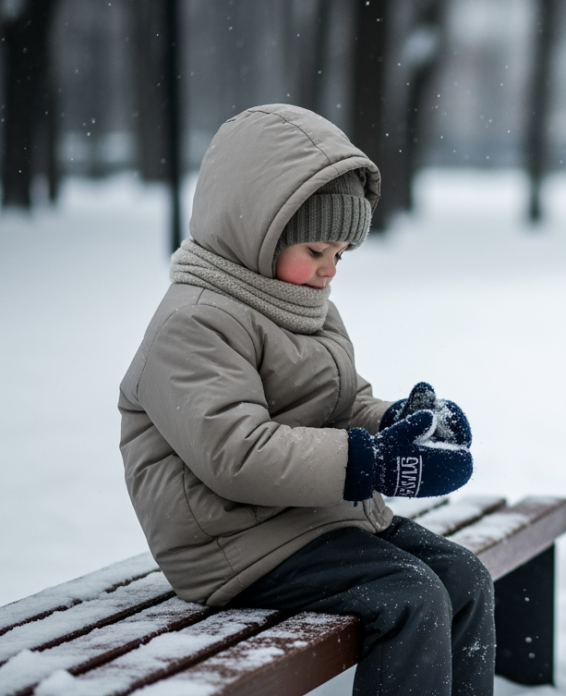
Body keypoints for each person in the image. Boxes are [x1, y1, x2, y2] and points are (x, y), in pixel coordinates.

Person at [118, 104, 495, 696]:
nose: (329, 272)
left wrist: (398, 424)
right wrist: (369, 461)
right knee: (409, 595)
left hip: (310, 521)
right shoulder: (193, 324)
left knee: (464, 576)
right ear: (256, 230)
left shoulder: (301, 302)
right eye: (316, 251)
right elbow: (237, 455)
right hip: (234, 545)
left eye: (340, 255)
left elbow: (342, 404)